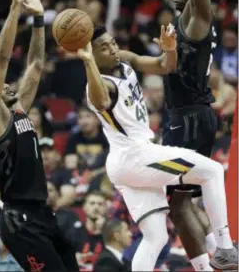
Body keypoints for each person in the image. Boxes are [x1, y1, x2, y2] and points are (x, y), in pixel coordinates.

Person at [64, 20, 238, 271]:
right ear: (91, 54)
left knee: (156, 238)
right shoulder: (97, 86)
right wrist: (87, 60)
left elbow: (165, 66)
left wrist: (169, 49)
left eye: (112, 43)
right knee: (212, 171)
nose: (112, 49)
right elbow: (101, 100)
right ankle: (223, 248)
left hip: (127, 162)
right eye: (104, 48)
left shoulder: (121, 59)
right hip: (135, 156)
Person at [0, 0, 79, 272]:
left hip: (42, 213)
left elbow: (35, 64)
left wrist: (37, 20)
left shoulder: (20, 107)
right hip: (19, 220)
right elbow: (2, 60)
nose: (7, 85)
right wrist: (14, 8)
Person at [153, 0, 231, 270]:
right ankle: (221, 252)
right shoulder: (186, 23)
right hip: (193, 113)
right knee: (184, 199)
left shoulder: (199, 15)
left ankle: (218, 257)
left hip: (187, 117)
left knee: (178, 202)